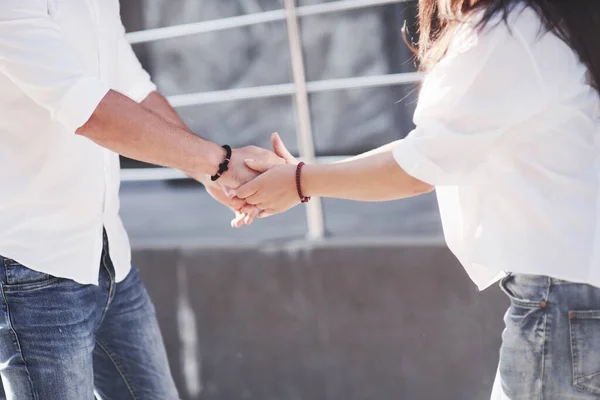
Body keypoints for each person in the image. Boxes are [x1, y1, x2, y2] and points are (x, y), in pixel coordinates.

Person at [236, 1, 600, 398]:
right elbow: (428, 149)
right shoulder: (549, 19)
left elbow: (417, 169)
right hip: (573, 297)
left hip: (561, 302)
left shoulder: (509, 30)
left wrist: (301, 181)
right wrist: (302, 176)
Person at [0, 0, 275, 398]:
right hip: (31, 271)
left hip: (109, 255)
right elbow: (85, 106)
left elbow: (133, 87)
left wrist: (207, 172)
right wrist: (220, 162)